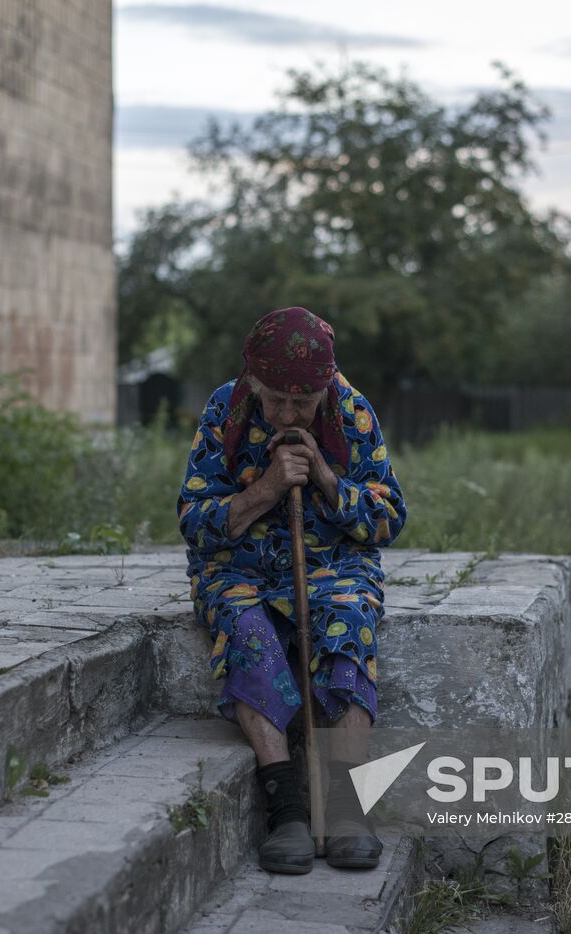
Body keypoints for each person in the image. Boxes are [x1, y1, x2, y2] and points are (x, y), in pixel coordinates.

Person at [176, 306, 407, 874]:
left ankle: (350, 807)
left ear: (325, 387)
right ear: (253, 381)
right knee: (246, 630)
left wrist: (327, 481)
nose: (286, 412)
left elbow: (388, 520)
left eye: (301, 403)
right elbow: (193, 519)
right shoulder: (223, 412)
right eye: (274, 399)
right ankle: (287, 809)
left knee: (349, 620)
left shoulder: (353, 413)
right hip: (239, 569)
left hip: (334, 564)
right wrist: (269, 488)